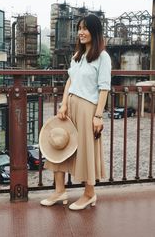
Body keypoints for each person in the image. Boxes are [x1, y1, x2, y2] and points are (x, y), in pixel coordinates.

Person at [40, 14, 111, 210]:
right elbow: (70, 82)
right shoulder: (76, 57)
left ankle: (89, 194)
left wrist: (98, 116)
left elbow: (104, 87)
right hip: (70, 106)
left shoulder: (102, 57)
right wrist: (63, 104)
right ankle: (60, 191)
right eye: (79, 28)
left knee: (85, 150)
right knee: (59, 145)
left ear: (95, 32)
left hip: (88, 109)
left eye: (86, 28)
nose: (81, 32)